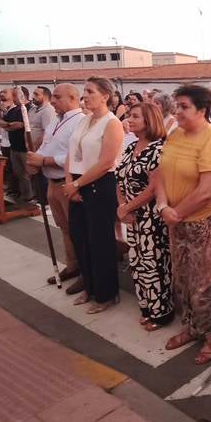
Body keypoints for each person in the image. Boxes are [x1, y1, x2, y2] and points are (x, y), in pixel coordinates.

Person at [154, 84, 211, 365]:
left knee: (206, 283)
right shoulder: (175, 134)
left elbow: (206, 191)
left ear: (202, 110)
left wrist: (175, 212)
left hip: (209, 220)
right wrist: (163, 206)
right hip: (176, 217)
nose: (177, 111)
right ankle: (192, 327)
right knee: (182, 278)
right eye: (176, 106)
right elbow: (161, 172)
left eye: (184, 107)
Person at [63, 77, 123, 314]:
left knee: (100, 242)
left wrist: (77, 183)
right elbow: (71, 152)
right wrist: (70, 182)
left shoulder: (112, 123)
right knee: (80, 237)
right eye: (84, 91)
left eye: (90, 92)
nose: (85, 96)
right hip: (77, 183)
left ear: (105, 96)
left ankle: (106, 294)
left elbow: (106, 162)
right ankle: (89, 286)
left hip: (99, 185)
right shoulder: (84, 120)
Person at [116, 103, 173, 330]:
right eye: (129, 116)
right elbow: (119, 178)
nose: (129, 119)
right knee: (137, 262)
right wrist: (122, 206)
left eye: (135, 116)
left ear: (149, 121)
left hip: (151, 218)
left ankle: (161, 312)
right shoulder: (131, 146)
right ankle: (147, 307)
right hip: (132, 217)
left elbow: (153, 188)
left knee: (154, 264)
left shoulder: (159, 150)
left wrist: (127, 208)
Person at [27, 84, 85, 291]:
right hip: (52, 183)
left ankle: (86, 271)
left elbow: (76, 156)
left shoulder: (80, 121)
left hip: (67, 183)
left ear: (72, 98)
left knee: (78, 230)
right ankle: (72, 265)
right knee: (64, 227)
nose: (52, 101)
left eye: (58, 97)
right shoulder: (56, 120)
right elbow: (46, 145)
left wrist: (45, 161)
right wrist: (35, 159)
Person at [0, 87, 35, 204]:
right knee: (19, 173)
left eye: (15, 96)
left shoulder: (30, 109)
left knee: (28, 173)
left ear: (23, 96)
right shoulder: (14, 110)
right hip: (14, 146)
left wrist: (8, 125)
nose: (13, 98)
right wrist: (10, 125)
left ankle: (32, 197)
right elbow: (0, 122)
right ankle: (25, 195)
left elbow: (21, 125)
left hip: (25, 147)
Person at [28, 86, 54, 150]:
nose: (33, 97)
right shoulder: (32, 109)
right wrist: (27, 143)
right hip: (30, 146)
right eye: (33, 94)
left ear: (45, 97)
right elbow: (28, 127)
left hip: (40, 149)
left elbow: (46, 132)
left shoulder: (48, 110)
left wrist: (35, 146)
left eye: (36, 94)